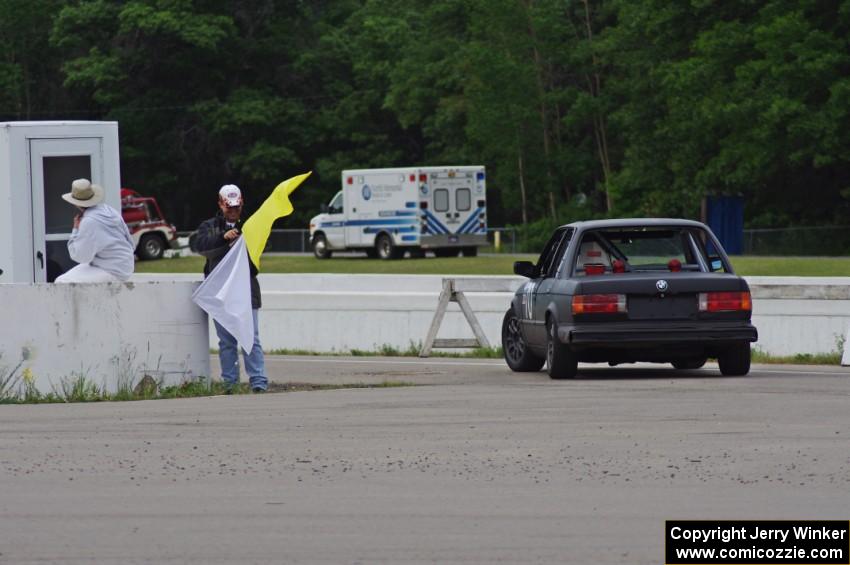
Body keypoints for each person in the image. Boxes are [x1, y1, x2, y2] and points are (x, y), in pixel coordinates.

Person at [192, 184, 268, 393]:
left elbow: (256, 259)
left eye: (236, 206)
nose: (233, 210)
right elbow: (202, 247)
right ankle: (230, 384)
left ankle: (258, 382)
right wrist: (223, 238)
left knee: (250, 337)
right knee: (226, 341)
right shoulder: (209, 226)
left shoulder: (251, 225)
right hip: (220, 292)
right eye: (229, 207)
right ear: (220, 204)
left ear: (242, 203)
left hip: (246, 290)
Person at [55, 178, 135, 283]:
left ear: (75, 203)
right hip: (125, 265)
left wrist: (75, 229)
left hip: (112, 270)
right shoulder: (108, 210)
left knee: (61, 281)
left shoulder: (89, 221)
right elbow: (130, 241)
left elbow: (80, 256)